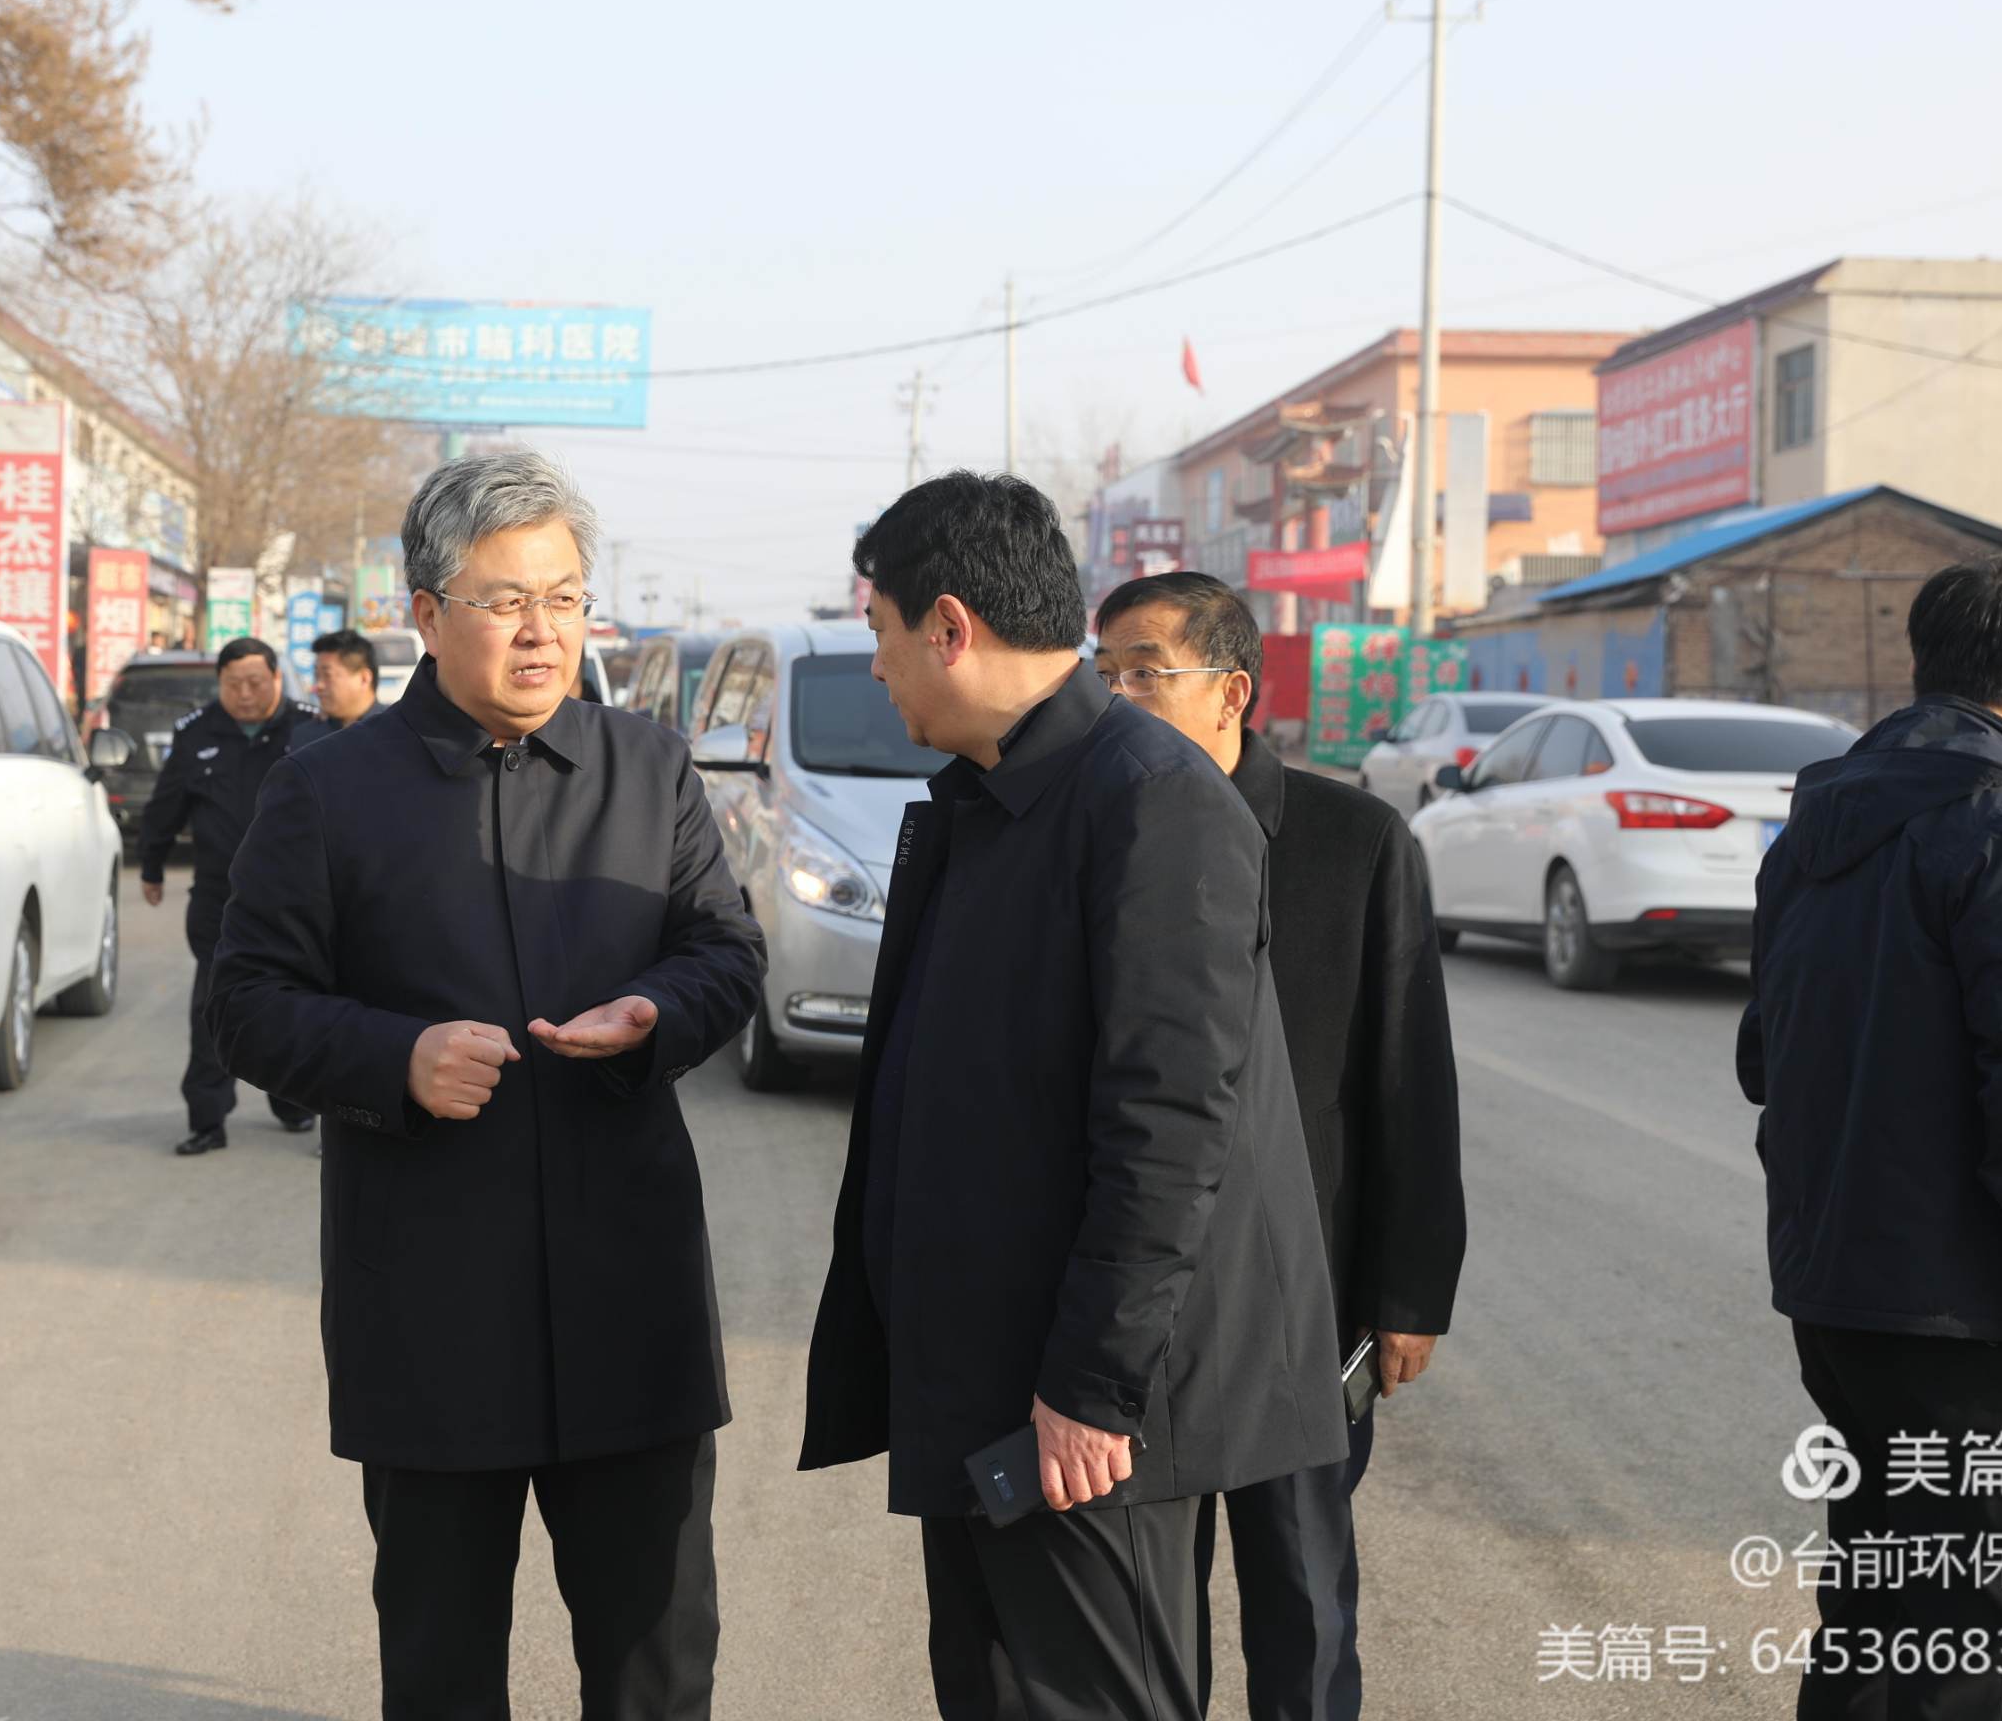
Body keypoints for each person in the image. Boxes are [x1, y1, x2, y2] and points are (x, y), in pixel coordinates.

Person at [211, 451, 765, 1720]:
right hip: (431, 1302)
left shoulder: (649, 768)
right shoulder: (329, 790)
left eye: (566, 597)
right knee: (442, 1663)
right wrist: (392, 1058)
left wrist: (657, 1013)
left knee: (658, 1660)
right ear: (425, 611)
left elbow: (725, 953)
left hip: (631, 1297)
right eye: (506, 597)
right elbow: (247, 1000)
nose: (541, 629)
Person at [798, 472, 1346, 1721]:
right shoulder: (996, 797)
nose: (876, 664)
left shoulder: (1151, 801)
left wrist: (1093, 1385)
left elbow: (1169, 1122)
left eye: (879, 630)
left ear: (949, 625)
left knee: (1091, 1700)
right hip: (987, 1384)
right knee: (991, 1689)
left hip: (1086, 1415)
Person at [1093, 570, 1467, 1721]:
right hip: (1134, 1305)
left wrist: (1410, 1290)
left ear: (1232, 691)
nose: (1113, 700)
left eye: (1143, 674)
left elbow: (1409, 1075)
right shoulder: (1086, 830)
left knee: (1303, 1604)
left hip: (1303, 1306)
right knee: (1146, 1625)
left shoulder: (1351, 839)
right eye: (1099, 676)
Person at [1740, 552, 2002, 1719]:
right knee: (1993, 1647)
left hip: (1846, 1301)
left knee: (1880, 1627)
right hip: (1985, 1325)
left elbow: (1763, 1056)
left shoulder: (1823, 820)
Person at [139, 635, 318, 1154]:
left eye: (255, 683)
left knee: (297, 1000)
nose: (244, 694)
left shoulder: (308, 729)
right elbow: (165, 807)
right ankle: (207, 1118)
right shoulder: (196, 735)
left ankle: (294, 1102)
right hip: (220, 898)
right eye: (233, 684)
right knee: (214, 1006)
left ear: (277, 680)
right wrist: (151, 866)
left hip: (298, 898)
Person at [290, 626, 384, 750]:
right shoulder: (306, 737)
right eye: (317, 676)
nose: (319, 686)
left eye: (327, 675)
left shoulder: (395, 732)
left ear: (364, 679)